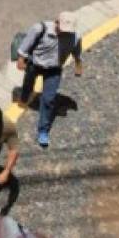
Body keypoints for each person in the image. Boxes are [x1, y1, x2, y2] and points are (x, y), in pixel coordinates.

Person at [17, 12, 83, 147]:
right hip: (34, 65)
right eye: (62, 28)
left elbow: (77, 52)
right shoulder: (40, 29)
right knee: (28, 84)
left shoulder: (75, 37)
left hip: (54, 70)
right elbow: (26, 44)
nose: (64, 33)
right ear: (56, 22)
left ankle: (43, 130)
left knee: (48, 100)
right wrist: (21, 59)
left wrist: (78, 65)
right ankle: (24, 97)